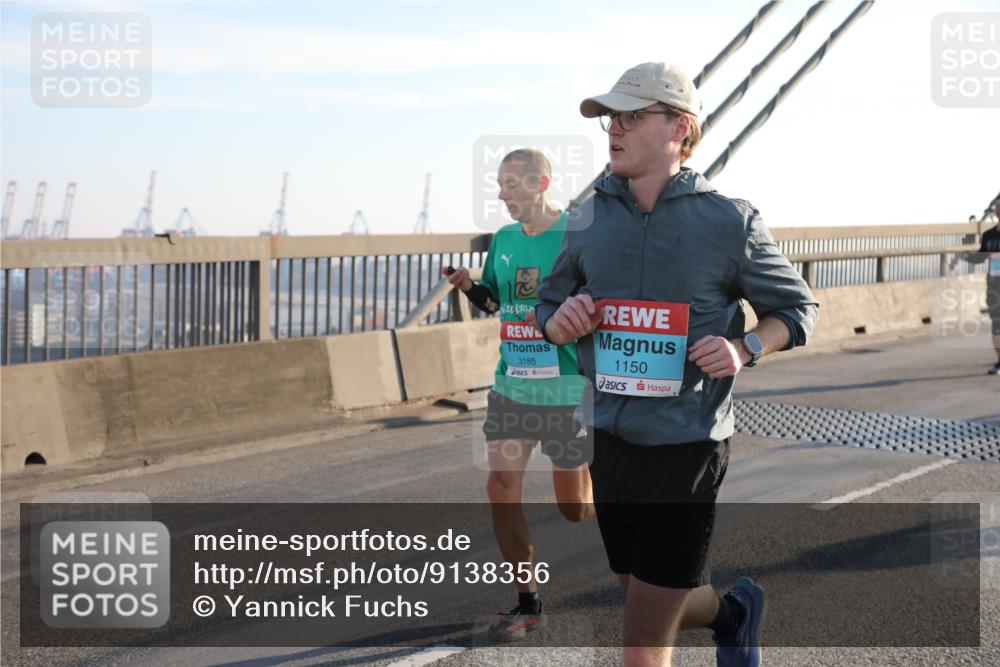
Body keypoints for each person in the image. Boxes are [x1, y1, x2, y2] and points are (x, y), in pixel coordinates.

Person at [534, 62, 819, 667]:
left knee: (641, 642)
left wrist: (745, 348)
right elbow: (550, 304)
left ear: (679, 128)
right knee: (641, 593)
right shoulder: (588, 217)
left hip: (686, 447)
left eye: (632, 116)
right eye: (611, 117)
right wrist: (559, 323)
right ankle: (733, 614)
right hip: (609, 440)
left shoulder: (727, 221)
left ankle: (724, 615)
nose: (614, 128)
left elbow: (796, 308)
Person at [444, 148, 595, 643]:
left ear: (542, 183)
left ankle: (605, 483)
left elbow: (598, 305)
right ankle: (527, 602)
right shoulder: (504, 240)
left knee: (574, 509)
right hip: (512, 385)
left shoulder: (576, 236)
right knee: (499, 488)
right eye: (500, 184)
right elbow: (496, 301)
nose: (503, 194)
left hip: (566, 388)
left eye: (512, 184)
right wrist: (469, 286)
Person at [953, 197, 1000, 374]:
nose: (998, 210)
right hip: (995, 286)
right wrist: (967, 256)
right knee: (997, 325)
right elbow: (982, 256)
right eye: (997, 207)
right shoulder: (989, 235)